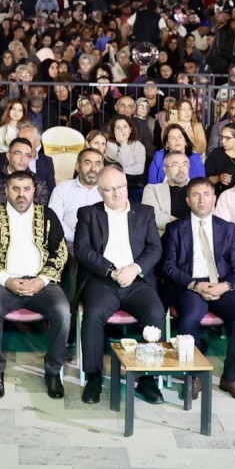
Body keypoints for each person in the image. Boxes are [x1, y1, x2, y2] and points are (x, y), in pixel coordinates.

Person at [0, 170, 70, 400]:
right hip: (5, 283)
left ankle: (53, 371)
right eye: (15, 189)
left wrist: (42, 280)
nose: (21, 194)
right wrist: (6, 279)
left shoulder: (47, 215)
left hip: (42, 283)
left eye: (26, 189)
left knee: (63, 311)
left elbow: (60, 251)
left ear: (34, 191)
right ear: (6, 190)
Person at [73, 166, 166, 406]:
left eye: (121, 187)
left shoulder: (144, 212)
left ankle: (148, 378)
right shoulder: (88, 214)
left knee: (155, 313)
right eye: (110, 189)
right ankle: (93, 377)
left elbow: (155, 248)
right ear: (100, 191)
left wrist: (134, 268)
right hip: (103, 280)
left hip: (137, 279)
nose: (117, 194)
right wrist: (111, 271)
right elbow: (83, 251)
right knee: (92, 316)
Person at [160, 177, 235, 401]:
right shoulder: (175, 229)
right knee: (188, 319)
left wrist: (225, 286)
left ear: (214, 198)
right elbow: (167, 267)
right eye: (196, 195)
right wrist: (194, 285)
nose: (202, 200)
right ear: (188, 200)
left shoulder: (227, 228)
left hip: (221, 284)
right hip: (191, 285)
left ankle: (230, 377)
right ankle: (194, 375)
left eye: (206, 194)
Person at [0, 138, 49, 213]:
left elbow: (41, 217)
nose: (22, 159)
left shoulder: (40, 184)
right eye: (18, 153)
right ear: (8, 156)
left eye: (27, 155)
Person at [141, 152, 193, 234]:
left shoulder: (199, 190)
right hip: (165, 238)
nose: (181, 170)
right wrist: (186, 224)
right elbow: (153, 217)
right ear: (165, 169)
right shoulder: (152, 189)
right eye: (175, 165)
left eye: (184, 165)